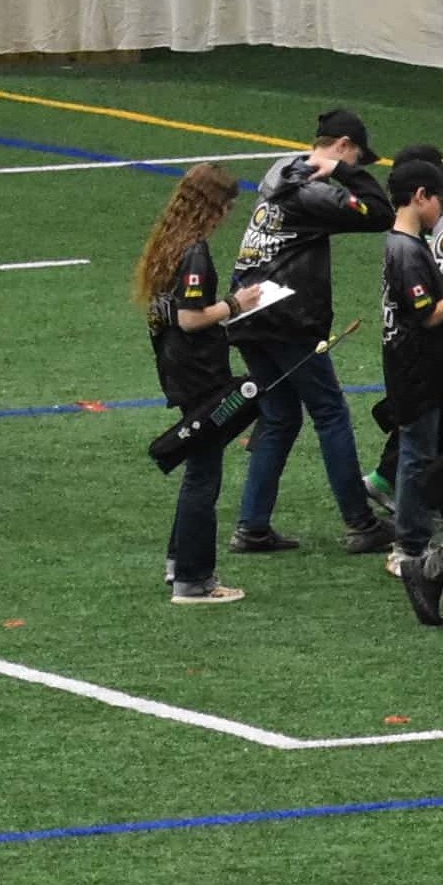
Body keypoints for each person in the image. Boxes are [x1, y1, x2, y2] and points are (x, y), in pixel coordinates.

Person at [225, 108, 393, 558]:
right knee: (330, 412)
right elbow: (380, 213)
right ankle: (360, 523)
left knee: (281, 416)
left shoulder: (280, 170)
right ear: (342, 146)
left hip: (248, 310)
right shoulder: (312, 190)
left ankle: (252, 527)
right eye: (355, 158)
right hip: (287, 317)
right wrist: (342, 173)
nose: (355, 168)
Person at [140, 164, 250, 604]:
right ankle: (194, 579)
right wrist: (236, 304)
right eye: (226, 209)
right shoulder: (195, 253)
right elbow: (190, 318)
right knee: (204, 475)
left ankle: (178, 562)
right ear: (212, 208)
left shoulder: (168, 245)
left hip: (176, 367)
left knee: (198, 469)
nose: (226, 218)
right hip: (200, 372)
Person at [373, 154, 443, 613]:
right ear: (420, 196)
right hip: (415, 366)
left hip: (411, 364)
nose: (441, 209)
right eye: (438, 200)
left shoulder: (403, 242)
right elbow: (427, 314)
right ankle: (408, 547)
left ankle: (415, 536)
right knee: (416, 455)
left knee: (421, 451)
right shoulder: (406, 252)